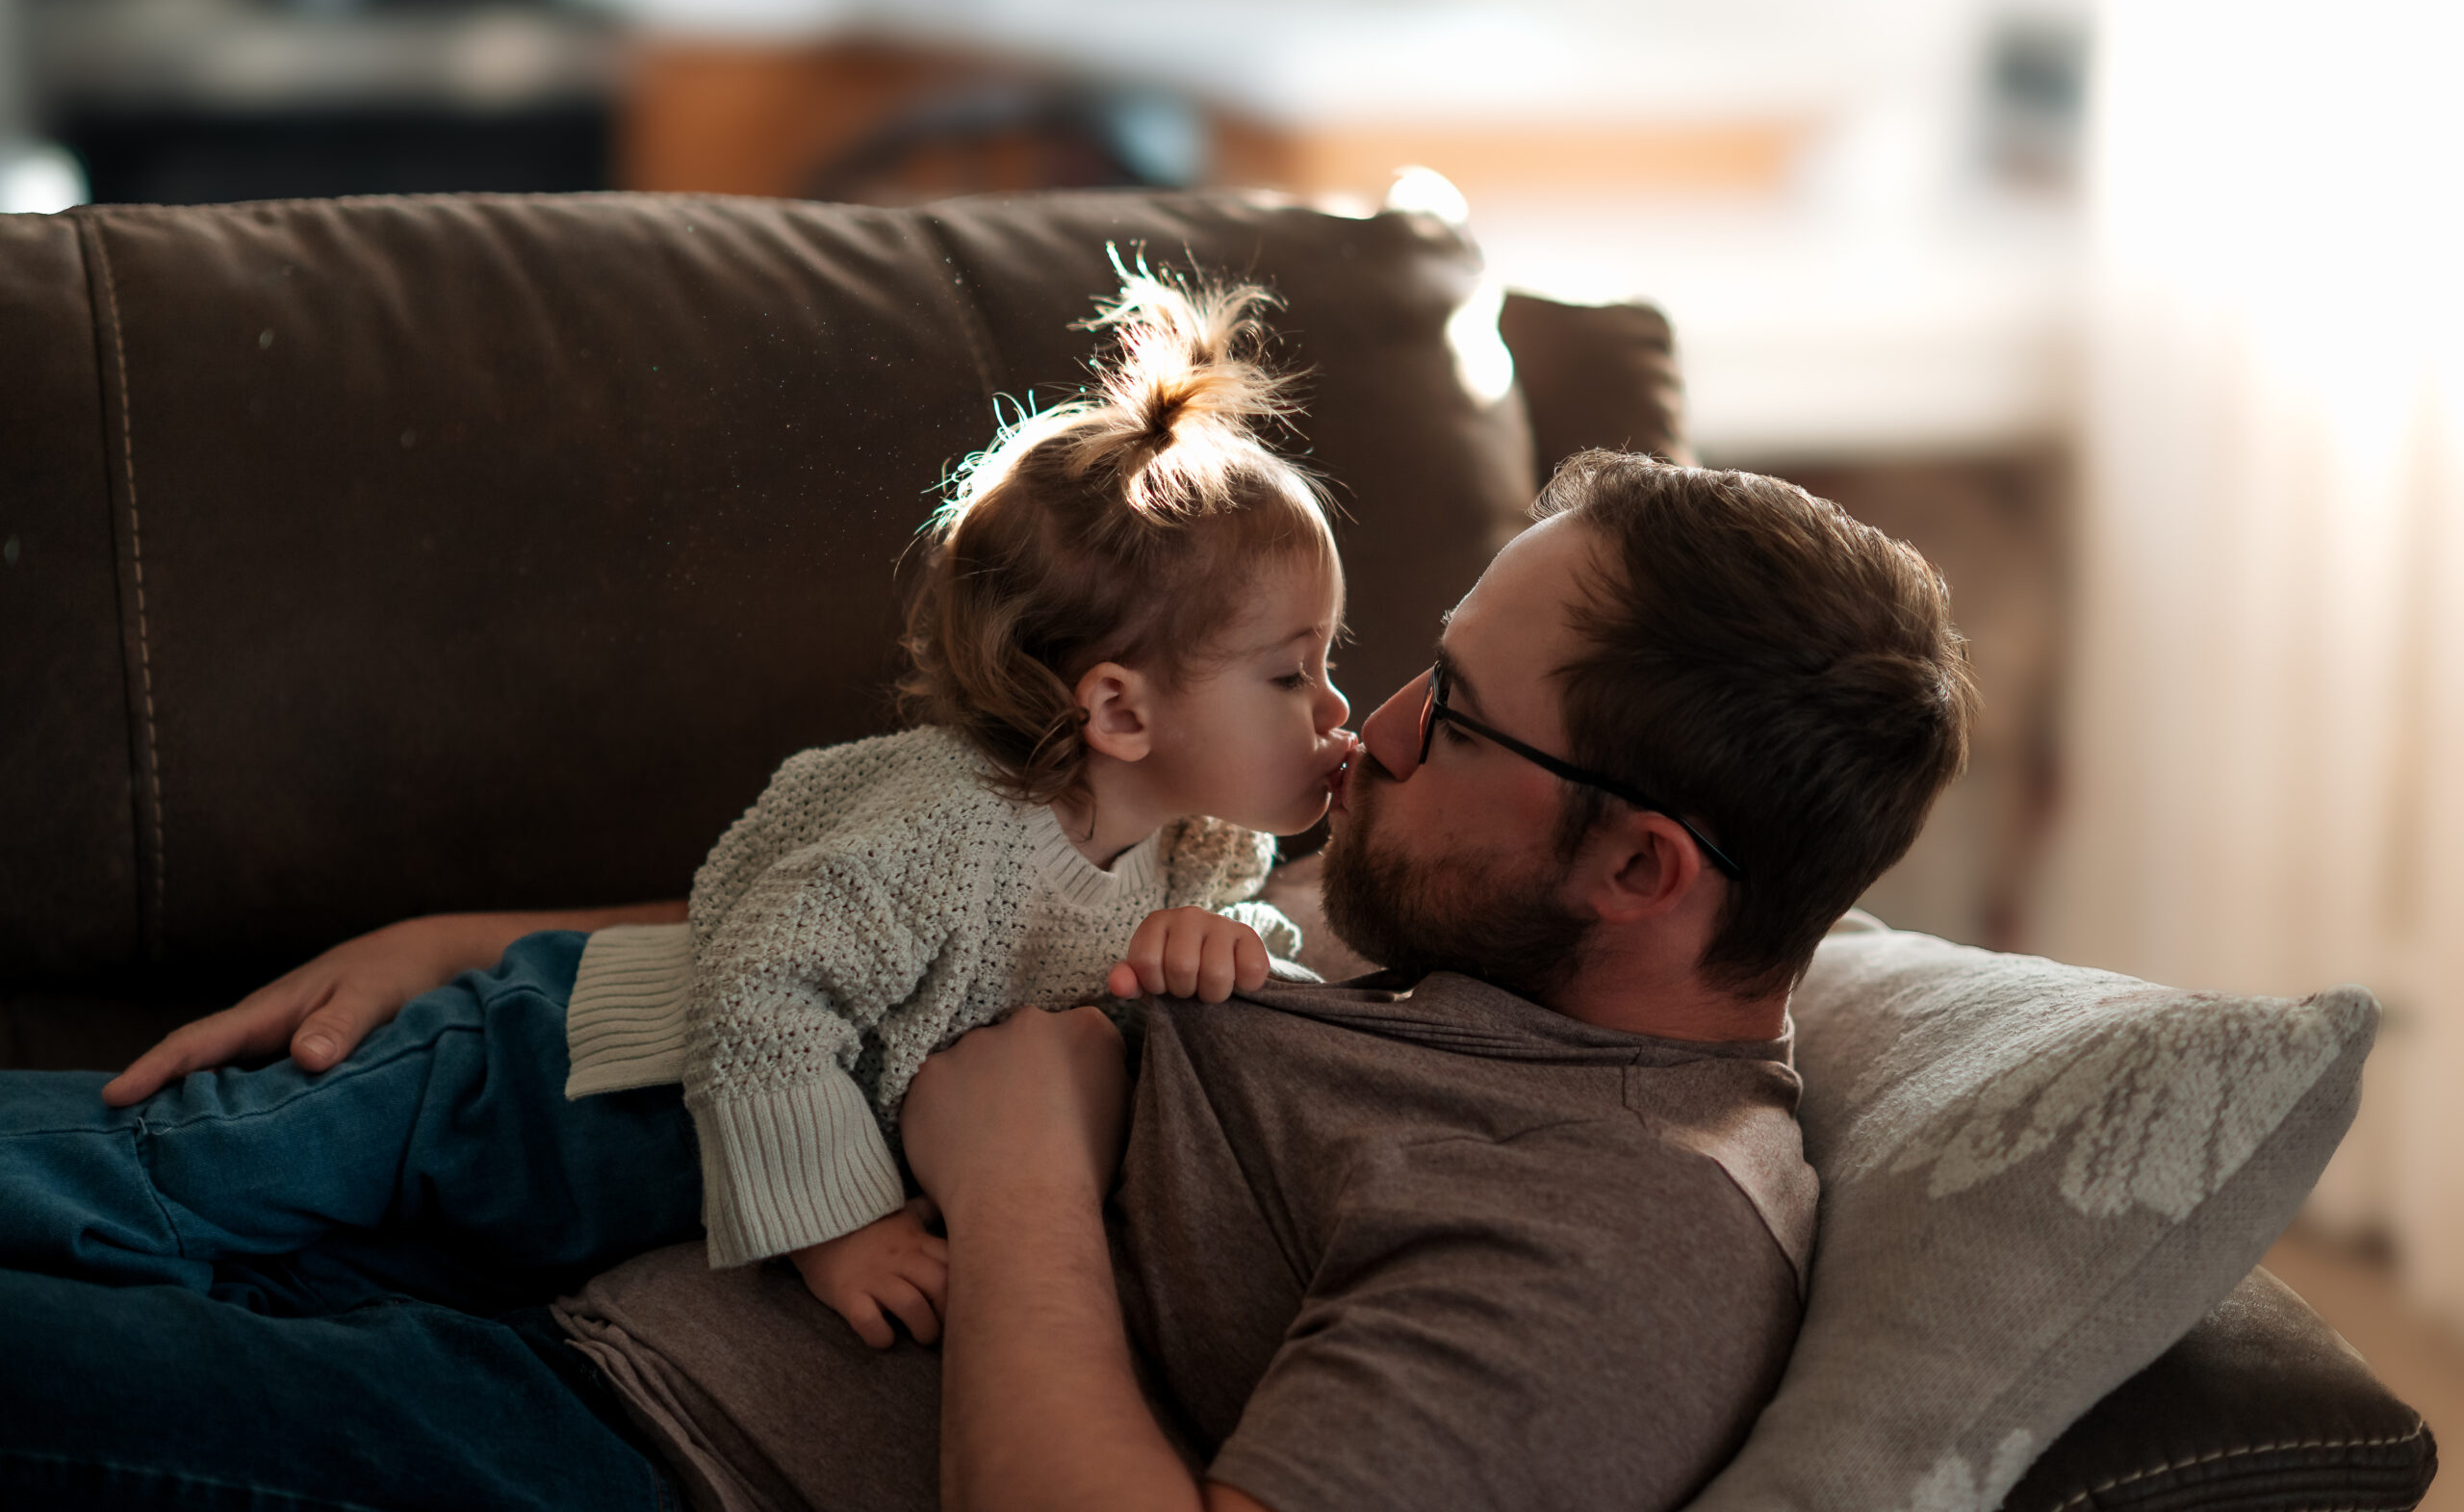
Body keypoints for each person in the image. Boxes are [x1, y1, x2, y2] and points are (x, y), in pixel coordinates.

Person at [0, 450, 1975, 1512]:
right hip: (578, 1186)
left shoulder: (1624, 1248)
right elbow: (957, 911)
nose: (1363, 733)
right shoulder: (1460, 921)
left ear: (1642, 867)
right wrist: (500, 954)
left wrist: (1022, 1176)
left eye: (1445, 709)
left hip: (623, 1442)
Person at [0, 265, 1353, 1349]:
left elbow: (1220, 981)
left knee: (256, 1284)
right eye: (1293, 673)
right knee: (175, 1173)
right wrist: (835, 1232)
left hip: (611, 1204)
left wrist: (1241, 953)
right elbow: (757, 996)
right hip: (533, 1076)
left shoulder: (1192, 851)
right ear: (1118, 711)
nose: (1333, 708)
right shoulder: (945, 830)